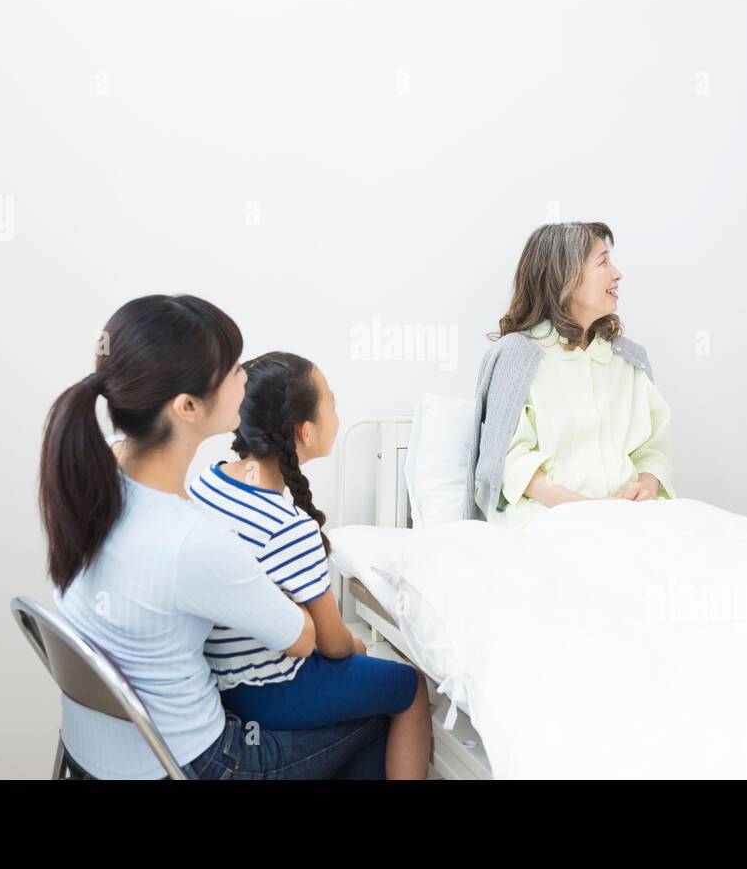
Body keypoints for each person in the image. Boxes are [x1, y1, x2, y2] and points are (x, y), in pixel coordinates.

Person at [39, 294, 393, 779]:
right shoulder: (197, 539)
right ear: (187, 406)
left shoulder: (93, 470)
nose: (244, 377)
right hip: (192, 762)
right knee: (378, 715)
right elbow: (306, 638)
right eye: (232, 372)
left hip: (88, 758)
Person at [187, 351, 430, 779]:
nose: (338, 413)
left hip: (221, 681)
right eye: (332, 403)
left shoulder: (210, 480)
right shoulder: (287, 526)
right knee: (408, 687)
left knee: (370, 709)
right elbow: (335, 646)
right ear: (305, 430)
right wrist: (358, 648)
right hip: (269, 690)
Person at [466, 221, 674, 527]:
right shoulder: (518, 357)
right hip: (547, 520)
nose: (618, 274)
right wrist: (589, 510)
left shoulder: (628, 361)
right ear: (565, 275)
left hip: (632, 520)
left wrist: (646, 485)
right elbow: (508, 461)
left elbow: (652, 449)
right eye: (603, 261)